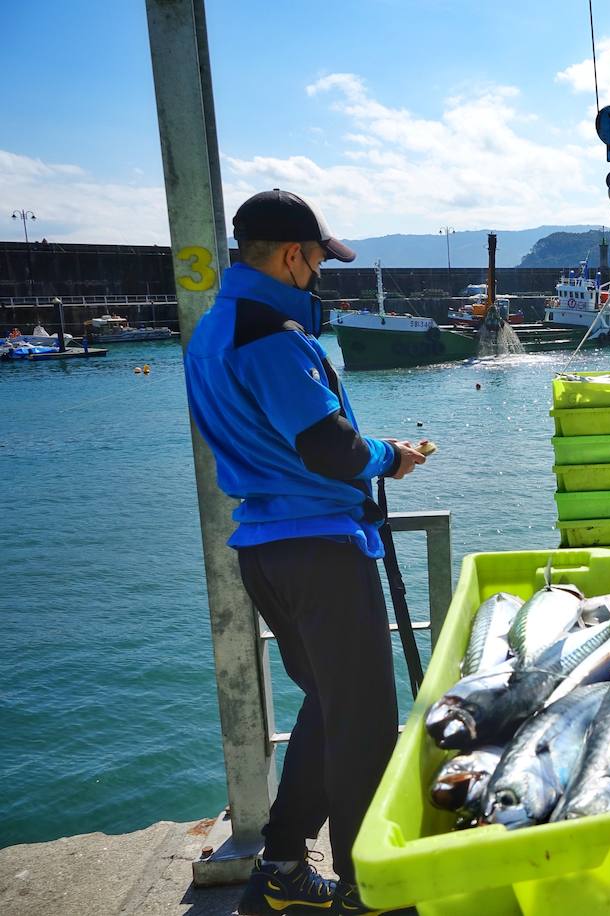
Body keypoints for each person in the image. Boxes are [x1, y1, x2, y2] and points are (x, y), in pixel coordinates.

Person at [183, 189, 425, 916]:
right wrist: (391, 455)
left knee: (327, 708)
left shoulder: (211, 331)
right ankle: (366, 890)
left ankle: (283, 864)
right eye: (320, 258)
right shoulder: (274, 336)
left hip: (266, 552)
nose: (322, 272)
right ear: (292, 255)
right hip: (319, 553)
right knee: (363, 727)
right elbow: (328, 447)